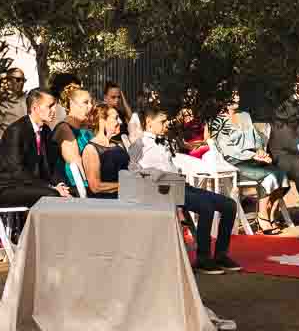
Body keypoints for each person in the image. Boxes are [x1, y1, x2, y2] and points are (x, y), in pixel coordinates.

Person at [133, 105, 238, 272]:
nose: (166, 124)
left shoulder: (162, 140)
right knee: (206, 207)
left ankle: (220, 254)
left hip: (181, 185)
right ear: (149, 122)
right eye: (162, 121)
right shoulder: (140, 145)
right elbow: (137, 172)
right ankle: (203, 258)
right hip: (164, 189)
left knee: (229, 204)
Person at [209, 91, 285, 231]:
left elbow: (256, 137)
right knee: (270, 176)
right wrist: (252, 156)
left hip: (252, 159)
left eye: (238, 94)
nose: (237, 97)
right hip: (233, 163)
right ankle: (262, 217)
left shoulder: (245, 115)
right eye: (233, 95)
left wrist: (260, 150)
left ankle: (271, 214)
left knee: (282, 175)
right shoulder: (217, 120)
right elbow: (226, 149)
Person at [0, 88, 74, 208]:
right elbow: (17, 171)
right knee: (52, 195)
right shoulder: (16, 131)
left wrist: (60, 184)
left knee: (71, 192)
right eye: (50, 106)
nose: (54, 110)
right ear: (35, 108)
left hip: (33, 185)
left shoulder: (45, 131)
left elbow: (52, 165)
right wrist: (50, 187)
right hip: (7, 188)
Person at [52, 85, 96, 190]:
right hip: (75, 188)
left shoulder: (86, 130)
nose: (90, 107)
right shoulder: (64, 129)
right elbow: (76, 170)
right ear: (72, 104)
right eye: (86, 103)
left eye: (91, 103)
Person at [77, 103, 126, 196]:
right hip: (109, 202)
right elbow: (95, 187)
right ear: (102, 121)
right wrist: (127, 185)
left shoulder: (118, 144)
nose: (120, 122)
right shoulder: (91, 149)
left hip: (127, 195)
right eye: (115, 118)